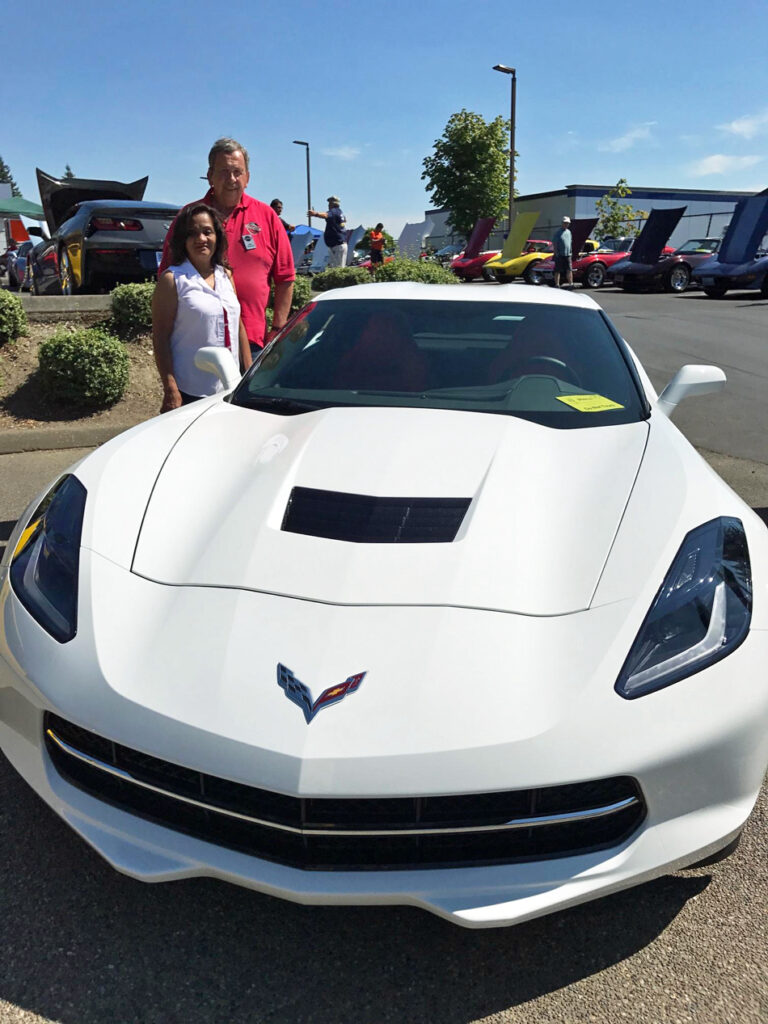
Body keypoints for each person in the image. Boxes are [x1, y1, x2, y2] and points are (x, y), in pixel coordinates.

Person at [159, 138, 295, 353]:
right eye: (223, 172)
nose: (231, 179)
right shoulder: (188, 217)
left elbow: (285, 277)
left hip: (253, 341)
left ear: (247, 177)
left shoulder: (267, 216)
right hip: (197, 342)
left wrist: (277, 328)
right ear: (210, 176)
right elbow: (167, 275)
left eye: (237, 172)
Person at [152, 203, 251, 412]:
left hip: (230, 386)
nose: (201, 239)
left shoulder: (226, 275)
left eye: (207, 232)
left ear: (217, 236)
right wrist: (171, 388)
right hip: (190, 391)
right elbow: (160, 337)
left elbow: (238, 324)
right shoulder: (172, 280)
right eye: (192, 233)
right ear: (182, 240)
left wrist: (249, 372)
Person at [308, 196, 348, 267]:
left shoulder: (334, 211)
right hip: (338, 244)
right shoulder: (340, 212)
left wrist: (315, 214)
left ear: (333, 204)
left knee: (337, 269)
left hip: (337, 245)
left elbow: (326, 215)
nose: (328, 205)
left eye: (330, 203)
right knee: (336, 268)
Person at [553, 216, 573, 288]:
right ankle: (557, 284)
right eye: (565, 223)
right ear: (562, 223)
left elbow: (570, 242)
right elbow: (555, 244)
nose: (566, 224)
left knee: (569, 269)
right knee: (557, 270)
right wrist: (556, 253)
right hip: (559, 255)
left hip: (568, 255)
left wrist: (570, 252)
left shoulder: (569, 232)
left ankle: (571, 284)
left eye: (567, 223)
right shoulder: (558, 233)